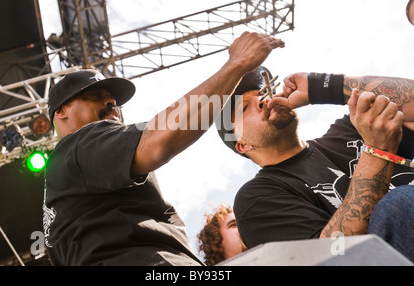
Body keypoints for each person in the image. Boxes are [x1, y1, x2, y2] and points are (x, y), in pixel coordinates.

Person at [42, 31, 285, 266]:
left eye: (113, 101)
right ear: (60, 111)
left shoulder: (63, 189)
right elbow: (157, 142)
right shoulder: (79, 145)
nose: (110, 103)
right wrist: (237, 65)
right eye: (96, 96)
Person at [216, 68, 414, 262]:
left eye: (262, 93)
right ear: (242, 145)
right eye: (244, 108)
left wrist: (324, 86)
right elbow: (331, 254)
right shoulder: (256, 198)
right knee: (399, 204)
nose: (262, 100)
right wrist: (378, 151)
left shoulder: (350, 130)